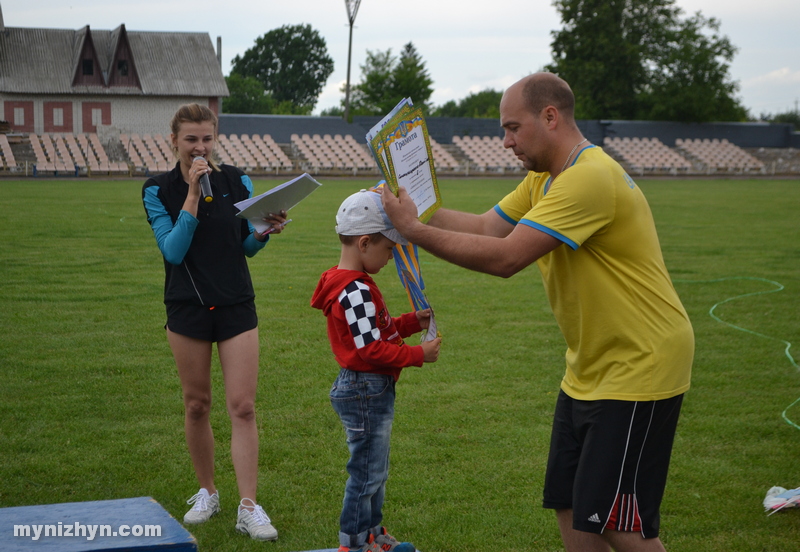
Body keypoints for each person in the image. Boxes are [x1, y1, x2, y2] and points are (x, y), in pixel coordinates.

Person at [381, 73, 694, 552]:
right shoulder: (545, 180)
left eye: (512, 128)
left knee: (615, 520)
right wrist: (414, 206)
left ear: (550, 117)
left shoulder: (589, 178)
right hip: (590, 366)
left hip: (640, 365)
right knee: (568, 500)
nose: (505, 141)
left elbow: (506, 258)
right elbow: (488, 227)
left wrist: (415, 231)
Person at [142, 103, 285, 541]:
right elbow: (174, 250)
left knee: (242, 406)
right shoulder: (156, 189)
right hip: (186, 307)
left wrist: (262, 233)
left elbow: (243, 245)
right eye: (191, 139)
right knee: (196, 404)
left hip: (236, 304)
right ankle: (207, 491)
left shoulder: (237, 180)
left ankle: (248, 506)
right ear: (175, 141)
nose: (200, 147)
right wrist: (190, 192)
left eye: (207, 138)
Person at [311, 189, 442, 552]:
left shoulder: (353, 284)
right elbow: (370, 349)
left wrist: (411, 323)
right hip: (365, 389)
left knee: (375, 472)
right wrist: (418, 354)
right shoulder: (353, 290)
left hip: (369, 388)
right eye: (388, 249)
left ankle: (373, 533)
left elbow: (377, 329)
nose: (390, 257)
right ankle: (353, 543)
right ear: (365, 243)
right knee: (366, 474)